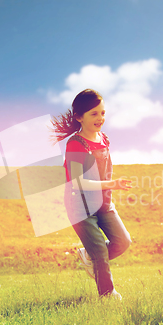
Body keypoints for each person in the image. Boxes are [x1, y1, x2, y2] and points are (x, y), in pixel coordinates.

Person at [51, 89, 132, 300]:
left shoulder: (104, 139)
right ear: (79, 117)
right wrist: (113, 183)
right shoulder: (76, 144)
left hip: (104, 204)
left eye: (103, 113)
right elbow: (78, 181)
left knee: (123, 241)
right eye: (94, 114)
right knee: (100, 253)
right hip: (81, 208)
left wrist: (110, 188)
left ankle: (88, 255)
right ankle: (107, 296)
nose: (100, 118)